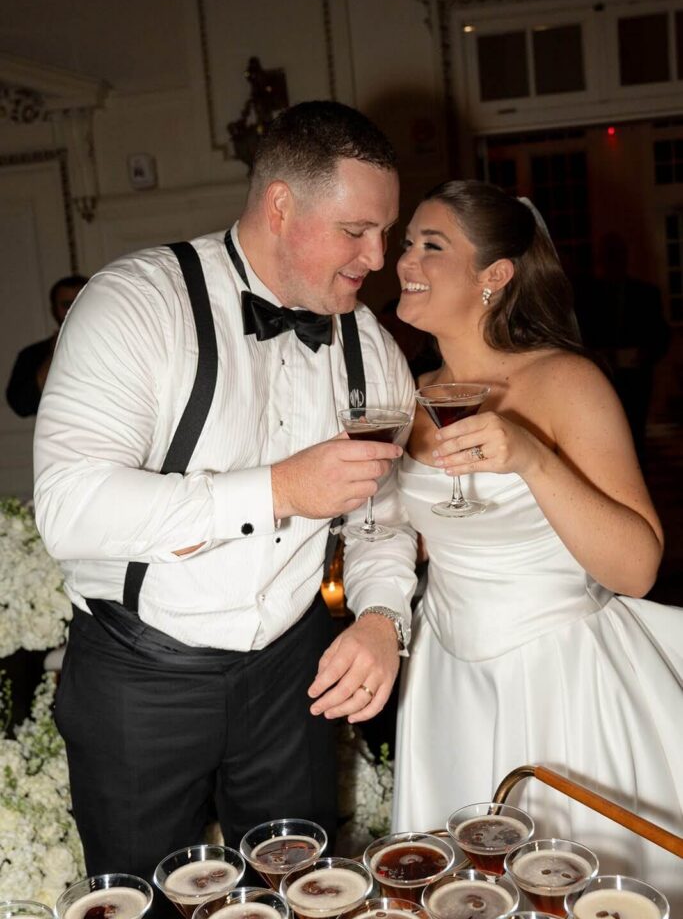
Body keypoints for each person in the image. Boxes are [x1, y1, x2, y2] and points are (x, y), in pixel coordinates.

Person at [34, 101, 417, 914]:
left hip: (292, 672)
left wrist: (382, 618)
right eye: (357, 230)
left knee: (300, 894)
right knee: (142, 900)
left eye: (384, 232)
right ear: (281, 205)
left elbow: (384, 516)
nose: (378, 258)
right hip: (141, 674)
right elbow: (69, 509)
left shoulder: (370, 345)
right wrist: (277, 489)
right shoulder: (136, 305)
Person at [392, 180, 683, 905]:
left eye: (431, 246)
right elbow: (420, 541)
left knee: (571, 885)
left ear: (495, 276)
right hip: (445, 679)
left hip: (558, 680)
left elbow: (638, 567)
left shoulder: (564, 381)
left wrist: (532, 458)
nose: (404, 261)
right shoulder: (407, 391)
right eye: (405, 244)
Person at [573, 231, 670, 461]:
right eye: (607, 257)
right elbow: (579, 335)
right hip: (601, 378)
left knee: (636, 436)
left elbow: (660, 335)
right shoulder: (587, 294)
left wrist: (645, 355)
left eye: (616, 256)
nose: (612, 262)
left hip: (636, 379)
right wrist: (598, 355)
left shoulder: (645, 294)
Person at [5, 274, 88, 417]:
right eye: (67, 305)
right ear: (54, 310)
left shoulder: (120, 344)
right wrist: (56, 353)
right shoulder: (34, 354)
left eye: (81, 301)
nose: (74, 310)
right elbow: (21, 405)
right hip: (61, 435)